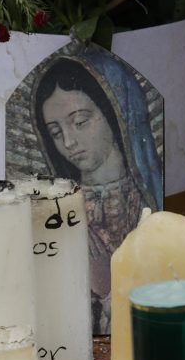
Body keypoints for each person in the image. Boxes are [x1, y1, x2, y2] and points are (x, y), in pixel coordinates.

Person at [33, 52, 162, 333]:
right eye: (55, 132)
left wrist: (106, 284)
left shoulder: (146, 200)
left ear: (115, 115)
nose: (68, 142)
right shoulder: (63, 209)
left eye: (80, 122)